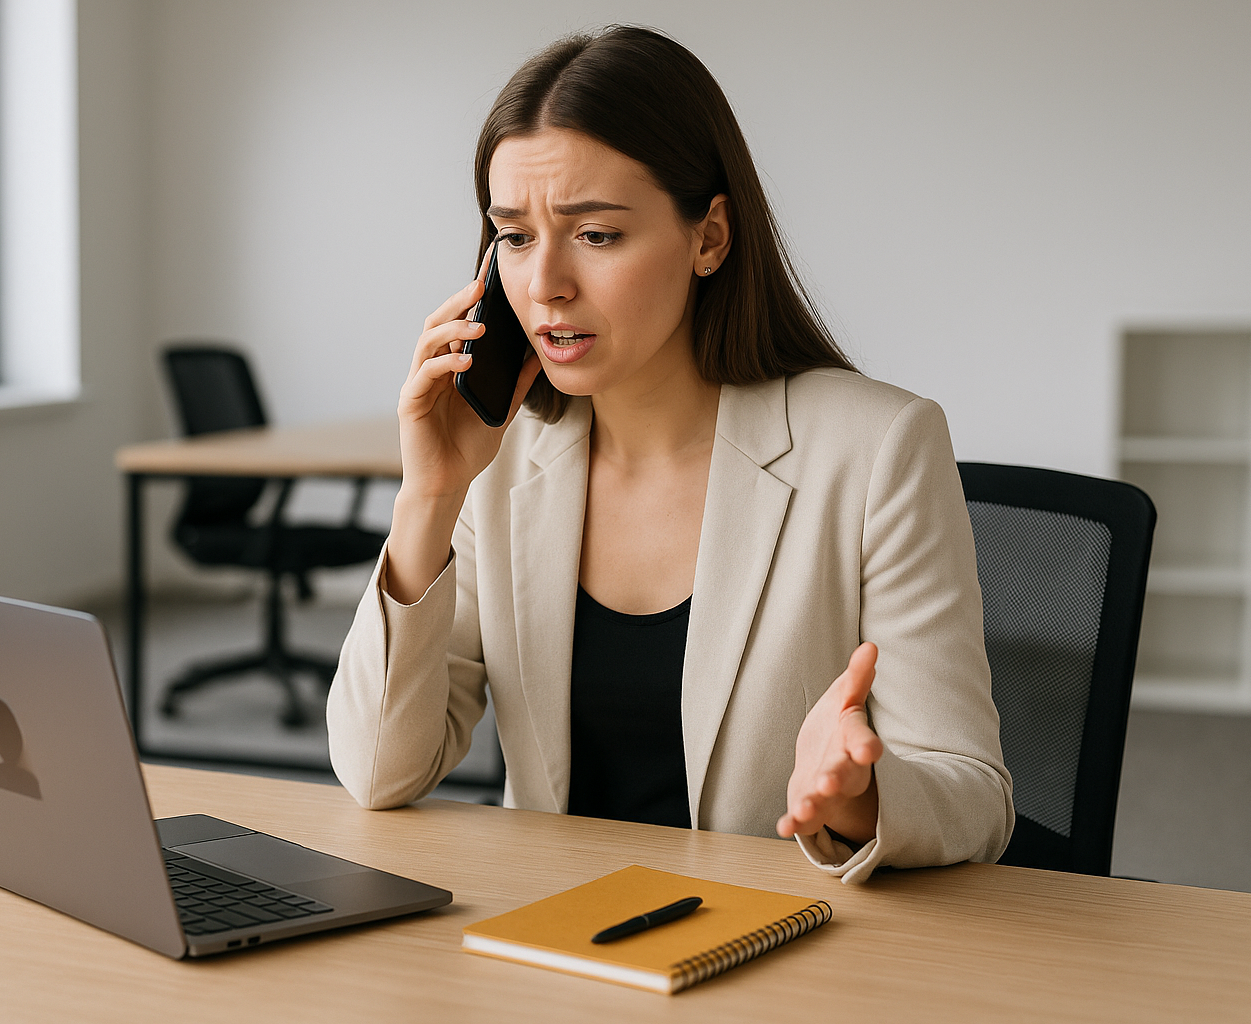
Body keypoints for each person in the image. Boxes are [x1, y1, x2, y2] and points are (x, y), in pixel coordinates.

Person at [326, 25, 1013, 883]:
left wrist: (860, 802)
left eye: (597, 235)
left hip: (767, 953)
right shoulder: (501, 462)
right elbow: (379, 771)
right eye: (514, 236)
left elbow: (975, 795)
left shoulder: (876, 449)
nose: (544, 286)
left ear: (710, 238)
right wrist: (429, 497)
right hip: (552, 946)